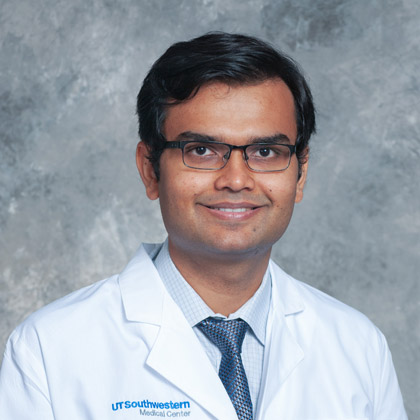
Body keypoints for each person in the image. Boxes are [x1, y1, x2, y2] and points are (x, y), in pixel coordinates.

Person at [0, 32, 407, 420]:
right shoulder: (50, 349)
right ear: (150, 170)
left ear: (299, 175)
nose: (235, 179)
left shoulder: (358, 346)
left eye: (265, 151)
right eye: (202, 150)